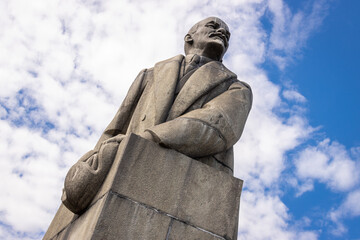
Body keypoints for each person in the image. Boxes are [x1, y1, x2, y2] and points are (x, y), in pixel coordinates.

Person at [62, 17, 252, 214]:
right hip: (127, 167)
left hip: (191, 184)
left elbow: (216, 124)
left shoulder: (236, 87)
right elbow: (117, 126)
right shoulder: (148, 75)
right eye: (213, 26)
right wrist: (95, 159)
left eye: (227, 34)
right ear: (189, 38)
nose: (222, 32)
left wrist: (148, 138)